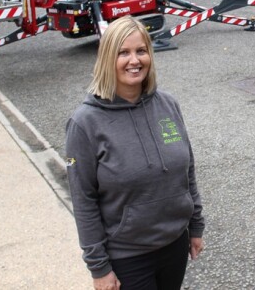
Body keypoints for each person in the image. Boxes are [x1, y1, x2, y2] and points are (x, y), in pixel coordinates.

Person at [65, 16, 204, 290]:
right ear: (107, 59)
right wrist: (98, 267)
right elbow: (84, 200)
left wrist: (195, 225)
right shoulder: (85, 123)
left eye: (141, 51)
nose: (134, 60)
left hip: (174, 244)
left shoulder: (168, 105)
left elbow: (187, 172)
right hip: (127, 256)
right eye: (123, 53)